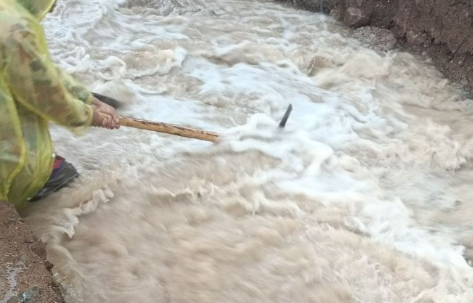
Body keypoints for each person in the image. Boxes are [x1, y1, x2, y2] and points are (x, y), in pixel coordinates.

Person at [0, 0, 120, 209]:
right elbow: (45, 95)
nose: (56, 6)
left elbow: (42, 72)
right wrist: (90, 116)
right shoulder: (14, 29)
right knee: (76, 188)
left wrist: (89, 99)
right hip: (7, 155)